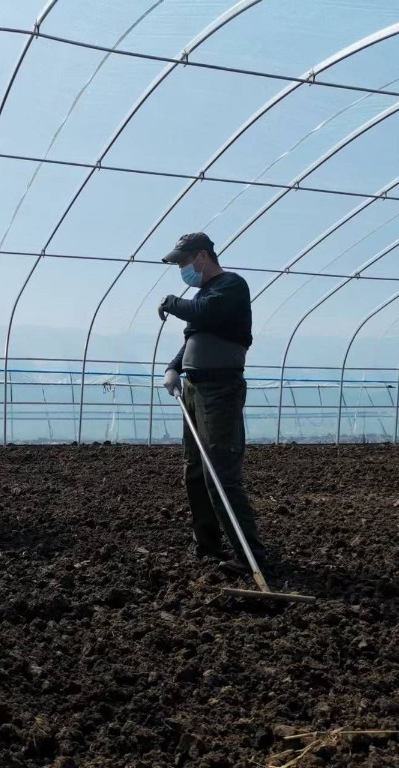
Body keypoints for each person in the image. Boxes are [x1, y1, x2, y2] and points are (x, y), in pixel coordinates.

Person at [157, 232, 269, 576]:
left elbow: (205, 313)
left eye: (183, 261)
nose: (181, 269)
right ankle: (207, 544)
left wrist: (172, 302)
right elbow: (195, 336)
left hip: (220, 390)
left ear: (202, 256)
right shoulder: (203, 295)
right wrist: (175, 367)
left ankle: (250, 555)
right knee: (195, 471)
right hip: (194, 389)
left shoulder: (230, 286)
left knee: (220, 473)